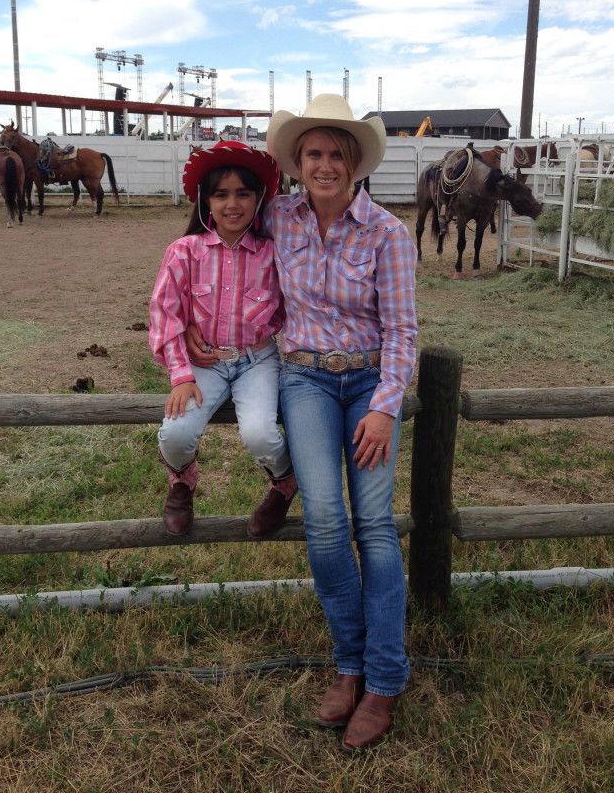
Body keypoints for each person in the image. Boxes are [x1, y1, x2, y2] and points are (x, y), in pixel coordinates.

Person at [190, 96, 417, 750]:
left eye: (335, 154)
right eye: (313, 153)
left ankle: (384, 677)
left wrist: (384, 405)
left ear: (353, 163)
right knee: (324, 522)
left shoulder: (386, 234)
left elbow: (403, 331)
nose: (324, 164)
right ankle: (350, 664)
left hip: (369, 379)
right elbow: (212, 256)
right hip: (307, 380)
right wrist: (190, 333)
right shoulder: (279, 220)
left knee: (373, 523)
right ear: (295, 163)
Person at [148, 140, 298, 539]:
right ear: (205, 202)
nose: (233, 205)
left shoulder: (273, 254)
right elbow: (165, 312)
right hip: (203, 363)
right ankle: (182, 482)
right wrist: (181, 374)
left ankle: (285, 483)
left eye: (243, 194)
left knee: (260, 434)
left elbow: (292, 307)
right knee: (177, 433)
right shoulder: (184, 252)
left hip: (257, 360)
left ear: (259, 198)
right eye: (221, 194)